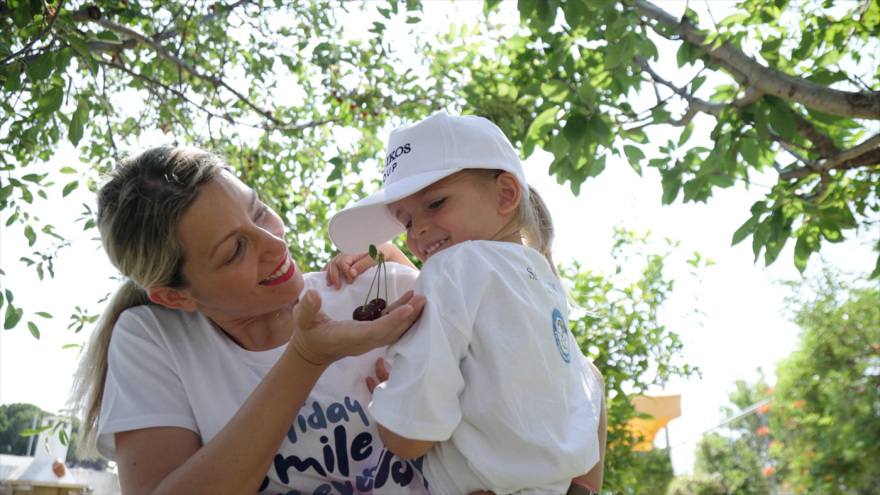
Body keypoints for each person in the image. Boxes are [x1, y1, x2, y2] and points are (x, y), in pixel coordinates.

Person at [65, 146, 432, 494]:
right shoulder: (154, 338)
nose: (275, 244)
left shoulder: (375, 290)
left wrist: (414, 272)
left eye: (258, 212)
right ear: (176, 296)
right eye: (235, 250)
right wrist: (306, 358)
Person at [327, 111, 607, 495]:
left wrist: (392, 399)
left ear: (506, 194)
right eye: (406, 222)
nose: (418, 230)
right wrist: (396, 259)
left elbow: (408, 440)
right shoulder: (540, 279)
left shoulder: (450, 269)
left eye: (436, 202)